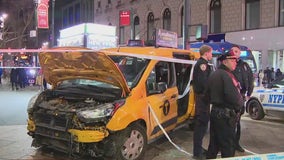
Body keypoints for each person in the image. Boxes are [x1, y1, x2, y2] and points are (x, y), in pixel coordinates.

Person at [206, 50, 244, 159]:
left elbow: (206, 94)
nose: (235, 62)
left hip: (215, 113)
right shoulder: (226, 76)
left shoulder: (214, 73)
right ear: (225, 61)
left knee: (214, 145)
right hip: (225, 117)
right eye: (233, 60)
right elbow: (233, 96)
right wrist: (240, 106)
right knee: (228, 147)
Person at [231, 45, 254, 152]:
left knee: (237, 122)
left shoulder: (244, 65)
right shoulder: (229, 65)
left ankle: (236, 143)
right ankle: (226, 144)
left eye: (237, 51)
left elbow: (250, 78)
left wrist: (249, 93)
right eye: (234, 51)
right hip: (230, 98)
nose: (236, 53)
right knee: (229, 122)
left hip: (241, 97)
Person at [192, 45, 213, 159]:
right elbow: (204, 82)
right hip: (202, 99)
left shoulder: (203, 63)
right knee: (201, 125)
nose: (211, 55)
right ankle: (197, 153)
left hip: (203, 98)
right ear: (206, 53)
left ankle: (199, 149)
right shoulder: (202, 64)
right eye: (210, 53)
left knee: (203, 125)